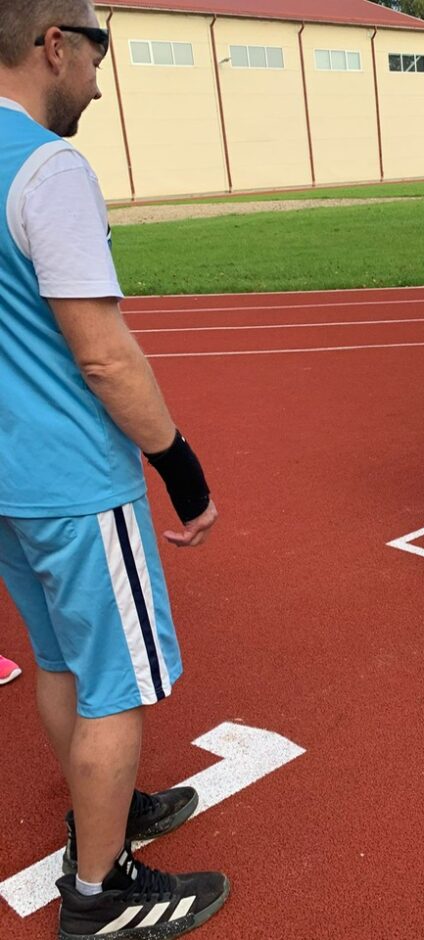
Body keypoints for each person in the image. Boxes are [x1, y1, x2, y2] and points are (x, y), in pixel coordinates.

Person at [0, 2, 229, 937]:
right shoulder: (49, 168)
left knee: (60, 657)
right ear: (55, 45)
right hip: (73, 478)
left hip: (8, 480)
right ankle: (100, 893)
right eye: (98, 54)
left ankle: (110, 809)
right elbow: (102, 353)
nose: (99, 81)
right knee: (116, 685)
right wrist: (180, 463)